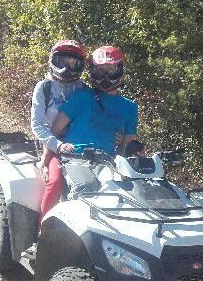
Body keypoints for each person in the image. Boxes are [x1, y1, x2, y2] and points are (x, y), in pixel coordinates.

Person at [31, 40, 86, 230]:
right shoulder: (44, 87)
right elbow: (37, 124)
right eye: (62, 62)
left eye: (72, 64)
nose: (66, 68)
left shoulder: (83, 89)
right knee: (54, 183)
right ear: (53, 61)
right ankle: (42, 234)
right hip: (52, 144)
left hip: (79, 145)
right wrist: (56, 146)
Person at [52, 46, 138, 158]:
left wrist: (121, 144)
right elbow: (55, 130)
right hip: (73, 159)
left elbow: (126, 147)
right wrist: (54, 153)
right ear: (93, 70)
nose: (106, 75)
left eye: (111, 69)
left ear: (120, 70)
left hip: (107, 165)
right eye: (101, 70)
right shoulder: (81, 96)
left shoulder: (130, 107)